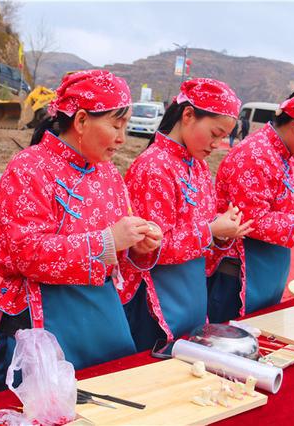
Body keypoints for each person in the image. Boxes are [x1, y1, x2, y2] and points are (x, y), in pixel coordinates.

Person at [0, 70, 163, 394]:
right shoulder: (29, 168)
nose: (123, 138)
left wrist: (138, 245)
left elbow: (118, 249)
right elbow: (27, 253)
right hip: (40, 321)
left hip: (102, 317)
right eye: (115, 125)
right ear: (81, 121)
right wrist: (108, 241)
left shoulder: (108, 173)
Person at [120, 78, 252, 350]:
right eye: (215, 134)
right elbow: (150, 248)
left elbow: (201, 237)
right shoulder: (153, 166)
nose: (218, 144)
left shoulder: (199, 167)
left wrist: (223, 232)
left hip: (190, 294)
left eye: (224, 137)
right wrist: (211, 231)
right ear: (188, 115)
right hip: (155, 302)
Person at [207, 68, 294, 323]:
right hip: (239, 274)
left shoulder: (286, 156)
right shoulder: (253, 155)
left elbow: (291, 208)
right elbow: (250, 221)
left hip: (268, 267)